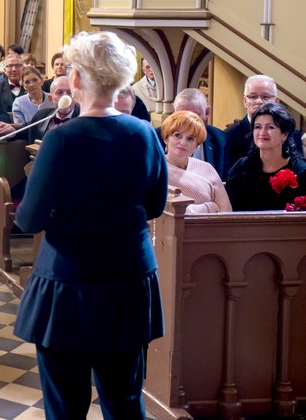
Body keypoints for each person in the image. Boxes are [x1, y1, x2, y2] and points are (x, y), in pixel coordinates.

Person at [14, 31, 168, 420]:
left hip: (70, 284)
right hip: (128, 281)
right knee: (125, 402)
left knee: (66, 408)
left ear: (78, 80)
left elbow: (28, 219)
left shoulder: (63, 140)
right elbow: (155, 204)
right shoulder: (145, 134)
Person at [227, 102, 306, 211]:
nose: (262, 132)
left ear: (284, 134)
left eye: (270, 127)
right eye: (258, 127)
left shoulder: (301, 172)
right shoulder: (241, 169)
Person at [224, 74, 303, 170]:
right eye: (253, 97)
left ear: (276, 101)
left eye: (265, 97)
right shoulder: (229, 135)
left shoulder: (293, 134)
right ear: (245, 101)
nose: (259, 101)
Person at [162, 110, 231, 214]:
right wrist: (209, 207)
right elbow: (166, 212)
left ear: (197, 145)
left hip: (213, 228)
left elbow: (226, 210)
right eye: (178, 135)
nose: (183, 142)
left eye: (190, 138)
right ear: (166, 138)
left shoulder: (207, 168)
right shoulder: (156, 169)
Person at [168, 88, 228, 177]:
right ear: (173, 111)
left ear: (207, 113)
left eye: (194, 116)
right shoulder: (156, 138)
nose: (188, 121)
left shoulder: (220, 139)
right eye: (182, 115)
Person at [25, 76, 78, 143]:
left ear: (75, 97)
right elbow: (25, 129)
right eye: (59, 93)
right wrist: (12, 129)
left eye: (70, 92)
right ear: (50, 99)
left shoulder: (84, 120)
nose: (65, 96)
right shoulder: (42, 115)